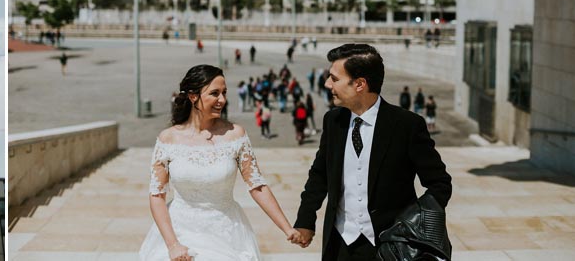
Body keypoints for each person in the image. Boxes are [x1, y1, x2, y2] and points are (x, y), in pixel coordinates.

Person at [290, 44, 452, 261]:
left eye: (335, 78)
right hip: (339, 244)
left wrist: (411, 225)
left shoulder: (407, 125)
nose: (328, 84)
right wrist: (305, 220)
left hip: (390, 248)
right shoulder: (333, 121)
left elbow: (440, 184)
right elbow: (320, 175)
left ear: (359, 84)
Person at [140, 65, 300, 260]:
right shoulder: (168, 139)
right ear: (193, 96)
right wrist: (172, 245)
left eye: (224, 93)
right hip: (179, 231)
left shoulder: (236, 134)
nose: (222, 100)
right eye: (214, 93)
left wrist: (287, 228)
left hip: (226, 232)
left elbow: (257, 186)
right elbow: (157, 195)